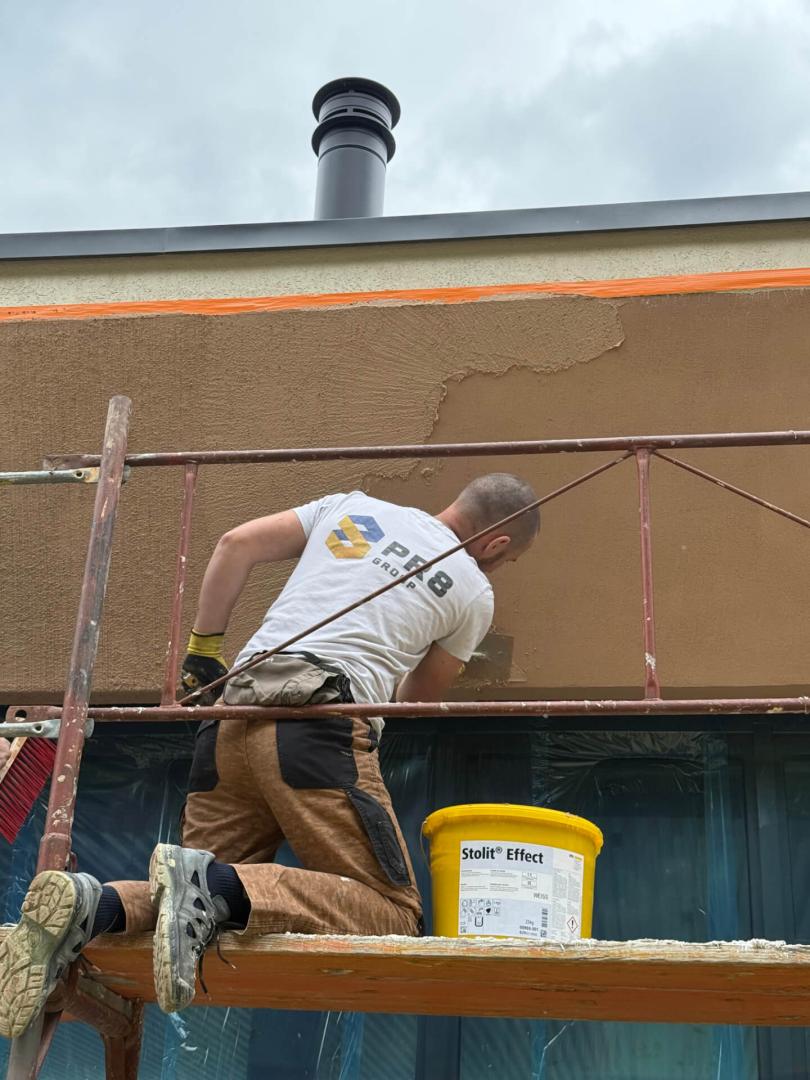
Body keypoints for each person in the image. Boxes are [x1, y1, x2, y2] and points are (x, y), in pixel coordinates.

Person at [0, 474, 539, 1037]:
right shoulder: (473, 590)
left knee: (183, 909)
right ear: (497, 543)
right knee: (393, 914)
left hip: (230, 718)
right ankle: (209, 887)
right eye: (509, 559)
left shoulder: (350, 507)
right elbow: (413, 700)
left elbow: (235, 544)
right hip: (321, 726)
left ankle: (91, 906)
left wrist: (204, 651)